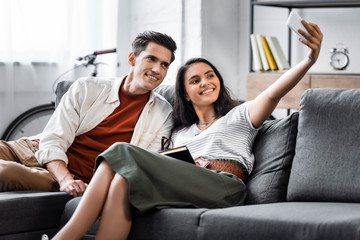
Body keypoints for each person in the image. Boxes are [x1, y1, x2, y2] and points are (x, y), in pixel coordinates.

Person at [52, 20, 322, 240]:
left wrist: (309, 59)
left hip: (224, 188)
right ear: (185, 93)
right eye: (195, 80)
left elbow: (274, 93)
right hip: (186, 185)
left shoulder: (239, 116)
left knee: (121, 153)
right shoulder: (177, 132)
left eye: (210, 75)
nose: (206, 82)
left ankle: (65, 238)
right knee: (124, 180)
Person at [0, 30, 177, 197]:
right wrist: (65, 179)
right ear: (132, 59)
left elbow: (144, 167)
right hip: (34, 149)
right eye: (151, 59)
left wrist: (68, 181)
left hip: (66, 178)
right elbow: (53, 139)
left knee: (5, 172)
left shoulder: (164, 114)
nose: (157, 70)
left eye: (164, 65)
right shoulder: (87, 88)